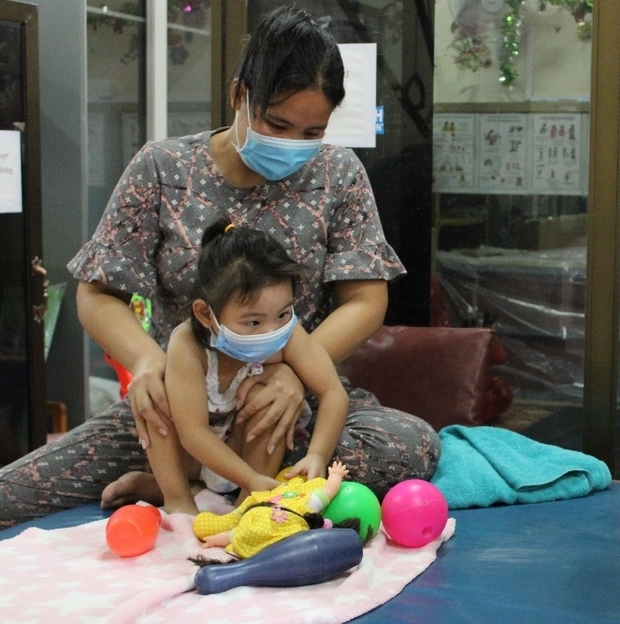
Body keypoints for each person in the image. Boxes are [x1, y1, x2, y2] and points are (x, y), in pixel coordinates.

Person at [0, 5, 439, 529]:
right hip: (175, 407)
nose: (293, 146)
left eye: (311, 132)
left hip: (283, 407)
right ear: (239, 94)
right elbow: (97, 294)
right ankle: (184, 474)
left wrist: (296, 375)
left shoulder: (338, 174)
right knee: (13, 492)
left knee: (410, 446)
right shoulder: (163, 169)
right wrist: (147, 364)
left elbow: (367, 300)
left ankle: (201, 485)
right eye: (278, 124)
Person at [150, 220, 350, 516]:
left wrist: (317, 456)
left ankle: (247, 505)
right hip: (193, 452)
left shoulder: (289, 333)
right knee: (154, 400)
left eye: (282, 313)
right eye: (253, 322)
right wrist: (249, 478)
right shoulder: (189, 345)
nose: (271, 330)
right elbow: (193, 434)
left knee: (273, 401)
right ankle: (177, 496)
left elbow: (334, 393)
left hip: (248, 446)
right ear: (206, 314)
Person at [192, 460, 367, 560]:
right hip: (256, 516)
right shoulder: (306, 505)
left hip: (253, 512)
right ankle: (217, 529)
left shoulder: (304, 506)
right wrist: (336, 476)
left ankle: (216, 529)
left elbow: (234, 535)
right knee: (233, 526)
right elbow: (329, 491)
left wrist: (215, 540)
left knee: (233, 524)